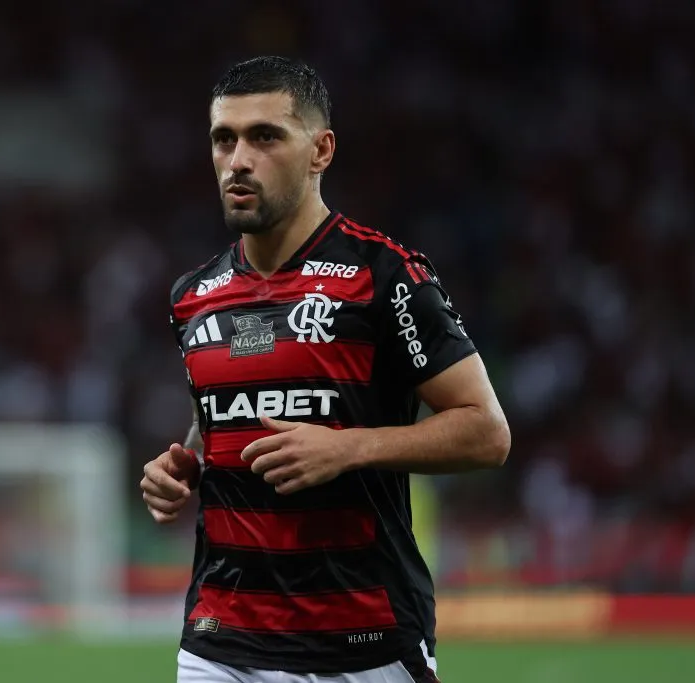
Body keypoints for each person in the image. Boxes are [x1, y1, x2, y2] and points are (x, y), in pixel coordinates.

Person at [140, 56, 511, 683]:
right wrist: (182, 465)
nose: (237, 159)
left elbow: (487, 432)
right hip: (219, 639)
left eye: (264, 136)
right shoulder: (193, 294)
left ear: (321, 151)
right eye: (223, 138)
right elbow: (224, 412)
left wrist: (347, 449)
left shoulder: (386, 275)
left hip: (360, 641)